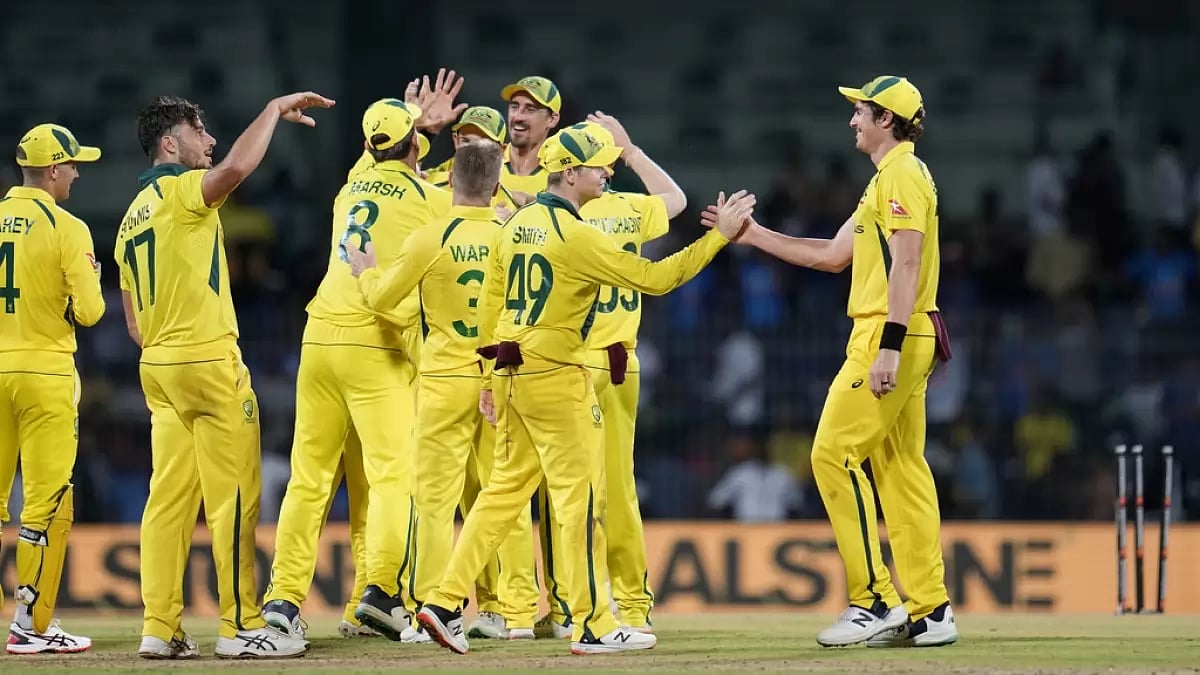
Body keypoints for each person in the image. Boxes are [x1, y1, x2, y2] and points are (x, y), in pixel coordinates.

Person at [415, 126, 754, 655]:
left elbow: (490, 305)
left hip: (513, 374)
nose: (607, 173)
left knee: (502, 493)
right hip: (558, 375)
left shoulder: (516, 225)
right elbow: (658, 278)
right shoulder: (577, 236)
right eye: (598, 165)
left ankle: (442, 602)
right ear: (569, 173)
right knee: (581, 500)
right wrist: (719, 237)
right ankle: (595, 623)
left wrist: (488, 379)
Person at [701, 75, 958, 648]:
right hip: (905, 330)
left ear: (885, 119)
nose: (853, 121)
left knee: (832, 456)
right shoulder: (890, 180)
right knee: (900, 471)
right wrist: (754, 235)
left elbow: (908, 264)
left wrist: (887, 343)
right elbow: (833, 256)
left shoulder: (900, 176)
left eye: (861, 112)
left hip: (886, 333)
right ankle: (930, 610)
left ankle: (873, 601)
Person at [118, 92, 332, 659]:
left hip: (158, 367)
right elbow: (235, 168)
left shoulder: (128, 220)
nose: (209, 140)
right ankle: (241, 627)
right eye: (199, 128)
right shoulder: (180, 191)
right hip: (207, 361)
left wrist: (171, 347)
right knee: (234, 498)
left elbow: (133, 322)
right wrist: (272, 111)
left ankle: (159, 629)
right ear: (170, 143)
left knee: (165, 502)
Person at [260, 98, 450, 645]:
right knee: (393, 476)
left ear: (369, 146)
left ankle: (282, 602)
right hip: (377, 343)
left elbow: (385, 155)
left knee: (310, 478)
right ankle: (382, 596)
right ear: (416, 144)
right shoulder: (427, 200)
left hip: (319, 338)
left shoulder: (352, 188)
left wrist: (415, 124)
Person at [344, 139, 537, 640]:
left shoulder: (431, 237)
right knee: (503, 494)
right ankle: (513, 613)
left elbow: (385, 299)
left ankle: (436, 606)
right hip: (503, 377)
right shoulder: (514, 235)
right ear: (496, 185)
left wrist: (367, 275)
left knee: (433, 500)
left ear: (450, 182)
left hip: (445, 377)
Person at [532, 115, 685, 638]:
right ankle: (632, 605)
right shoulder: (626, 209)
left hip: (566, 363)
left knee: (567, 493)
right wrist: (633, 150)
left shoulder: (557, 217)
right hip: (620, 363)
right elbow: (677, 200)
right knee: (617, 492)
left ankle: (571, 607)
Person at [0, 124, 105, 655]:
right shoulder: (69, 227)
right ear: (54, 170)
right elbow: (90, 312)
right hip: (44, 373)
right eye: (73, 165)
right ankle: (30, 625)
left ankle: (32, 626)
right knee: (44, 505)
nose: (78, 173)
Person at [499, 75, 560, 202]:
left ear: (552, 119)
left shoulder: (562, 175)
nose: (517, 117)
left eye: (530, 109)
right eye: (514, 107)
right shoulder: (484, 164)